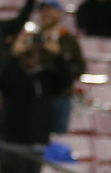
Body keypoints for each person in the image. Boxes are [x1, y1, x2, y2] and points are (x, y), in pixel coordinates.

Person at [0, 29, 67, 173]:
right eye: (28, 53)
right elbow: (1, 80)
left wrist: (58, 56)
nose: (31, 57)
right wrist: (13, 55)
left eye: (35, 53)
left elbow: (66, 81)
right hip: (13, 142)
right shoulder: (13, 73)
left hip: (36, 142)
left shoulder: (46, 77)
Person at [36, 0, 84, 134]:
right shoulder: (35, 39)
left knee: (58, 138)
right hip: (39, 96)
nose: (46, 14)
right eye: (43, 11)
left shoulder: (68, 40)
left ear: (58, 13)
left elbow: (80, 68)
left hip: (62, 96)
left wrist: (59, 55)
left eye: (49, 10)